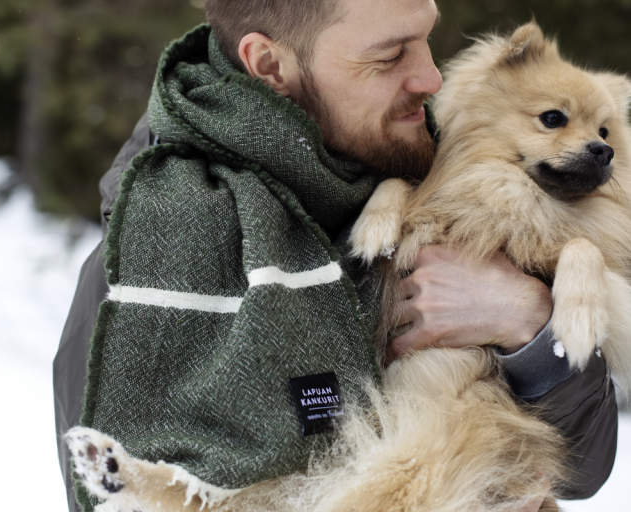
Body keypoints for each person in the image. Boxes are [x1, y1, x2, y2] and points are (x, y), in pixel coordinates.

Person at [54, 1, 618, 511]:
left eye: (425, 40)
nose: (430, 76)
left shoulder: (425, 158)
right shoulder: (156, 253)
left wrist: (526, 321)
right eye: (390, 55)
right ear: (272, 67)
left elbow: (584, 469)